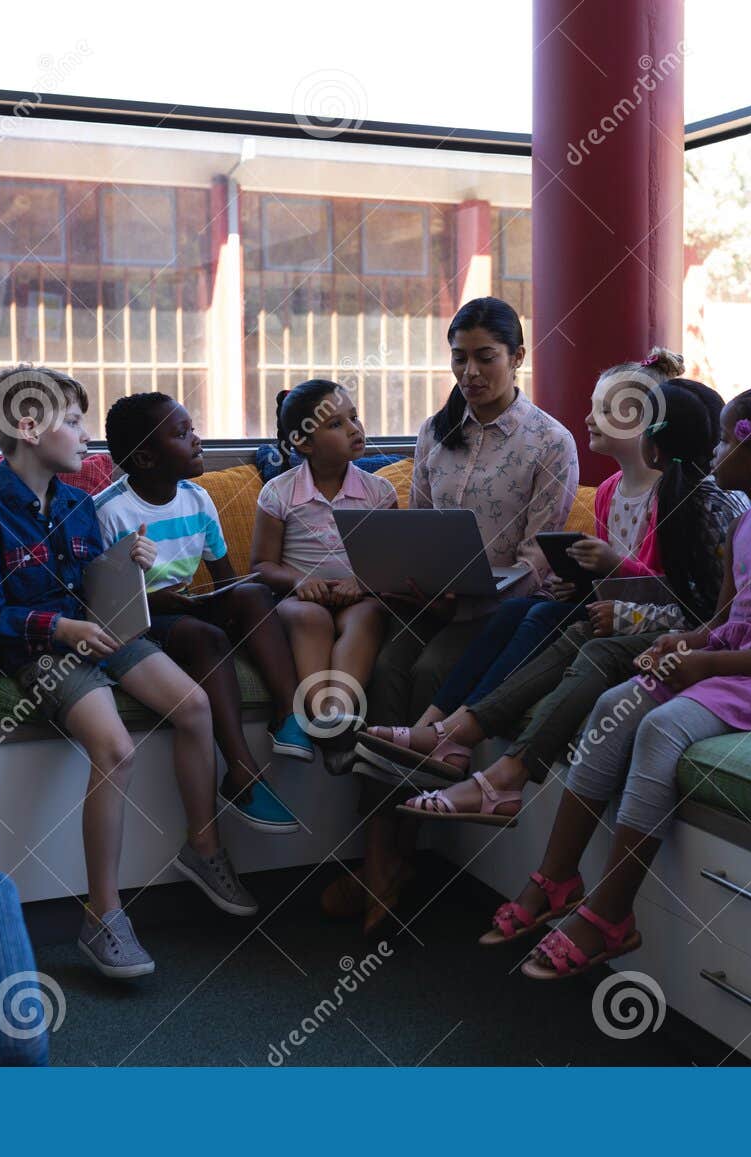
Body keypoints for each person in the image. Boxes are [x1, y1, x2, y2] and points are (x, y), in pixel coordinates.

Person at [512, 385, 751, 978]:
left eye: (729, 439)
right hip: (735, 660)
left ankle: (610, 913)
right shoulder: (743, 526)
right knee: (613, 705)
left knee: (661, 726)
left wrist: (708, 664)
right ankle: (556, 876)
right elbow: (726, 621)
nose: (717, 448)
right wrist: (683, 642)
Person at [380, 375, 746, 833]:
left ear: (651, 441)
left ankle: (470, 747)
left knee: (581, 638)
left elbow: (707, 609)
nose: (719, 454)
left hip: (674, 627)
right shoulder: (646, 491)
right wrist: (589, 582)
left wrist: (618, 586)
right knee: (537, 616)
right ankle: (454, 735)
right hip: (634, 615)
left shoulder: (704, 505)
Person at [0, 366, 232, 981]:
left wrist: (128, 564)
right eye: (75, 420)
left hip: (103, 633)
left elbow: (93, 583)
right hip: (45, 651)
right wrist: (60, 631)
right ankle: (104, 915)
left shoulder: (81, 504)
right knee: (114, 747)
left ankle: (204, 847)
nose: (87, 435)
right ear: (29, 427)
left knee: (194, 707)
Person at [327, 297, 579, 933]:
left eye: (485, 358)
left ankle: (392, 863)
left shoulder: (550, 441)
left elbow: (540, 562)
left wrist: (471, 594)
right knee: (383, 672)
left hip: (499, 608)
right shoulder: (435, 432)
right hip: (429, 598)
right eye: (459, 359)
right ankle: (382, 856)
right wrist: (412, 575)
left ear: (518, 358)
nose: (470, 372)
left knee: (430, 671)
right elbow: (418, 525)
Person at [97, 391, 308, 835]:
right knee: (204, 636)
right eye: (182, 433)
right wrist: (161, 601)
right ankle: (241, 771)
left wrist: (226, 598)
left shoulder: (199, 500)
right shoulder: (111, 512)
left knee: (252, 594)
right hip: (147, 623)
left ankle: (289, 716)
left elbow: (226, 579)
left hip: (188, 607)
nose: (197, 439)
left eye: (192, 429)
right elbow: (105, 605)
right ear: (147, 457)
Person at [251, 379, 396, 762]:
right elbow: (261, 565)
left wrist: (361, 582)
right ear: (304, 443)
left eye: (355, 417)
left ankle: (336, 715)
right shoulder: (279, 493)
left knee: (368, 617)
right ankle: (327, 725)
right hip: (301, 599)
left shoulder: (379, 493)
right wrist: (299, 581)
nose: (354, 429)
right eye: (336, 424)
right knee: (310, 619)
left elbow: (392, 564)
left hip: (358, 597)